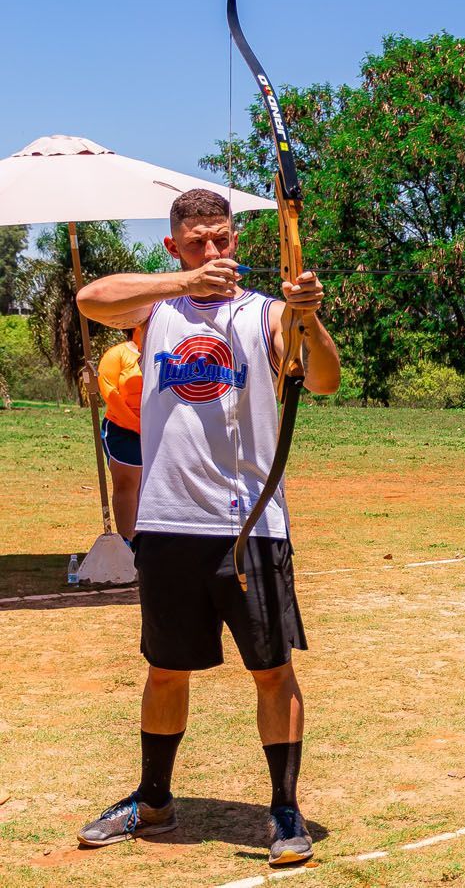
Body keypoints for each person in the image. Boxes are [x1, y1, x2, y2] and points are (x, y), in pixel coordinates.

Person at [74, 189, 340, 866]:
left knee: (271, 671)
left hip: (249, 524)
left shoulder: (263, 311)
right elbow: (91, 299)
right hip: (167, 523)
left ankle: (283, 808)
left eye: (223, 239)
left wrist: (308, 319)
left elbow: (327, 378)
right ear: (174, 245)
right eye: (198, 242)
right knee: (166, 670)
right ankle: (154, 797)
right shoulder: (157, 307)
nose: (215, 253)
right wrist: (185, 283)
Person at [97, 327, 145, 542]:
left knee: (150, 485)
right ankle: (128, 541)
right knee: (127, 484)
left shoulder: (165, 352)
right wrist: (136, 424)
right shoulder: (117, 354)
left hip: (158, 430)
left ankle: (148, 540)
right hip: (123, 430)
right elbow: (110, 393)